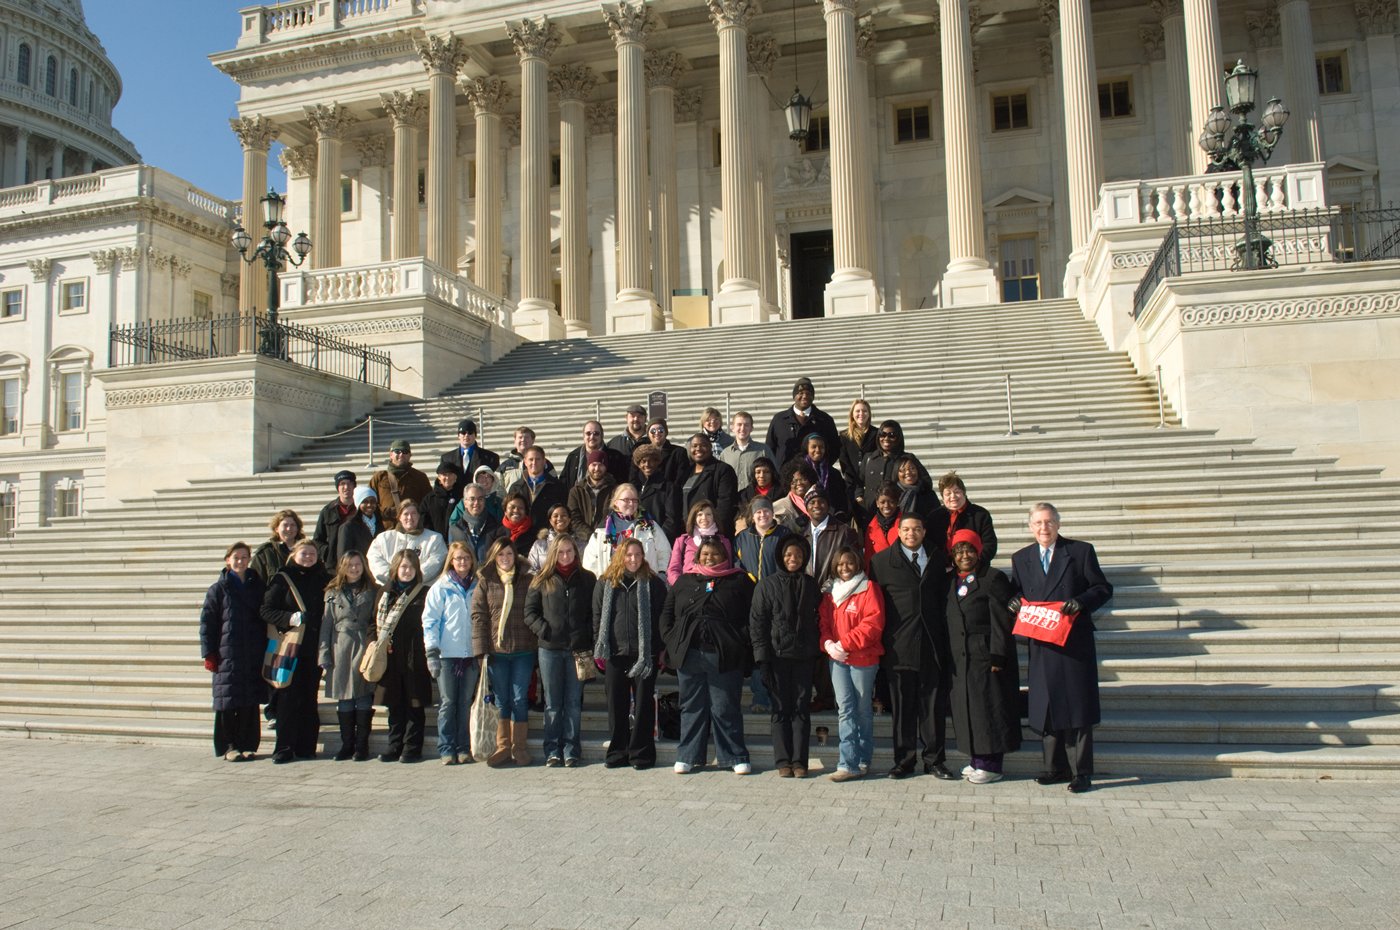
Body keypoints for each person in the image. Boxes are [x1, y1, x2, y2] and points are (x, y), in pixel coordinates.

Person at [1009, 503, 1113, 793]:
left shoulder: (1080, 552)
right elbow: (1016, 590)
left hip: (1073, 643)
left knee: (1078, 707)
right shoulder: (1021, 558)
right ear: (1030, 527)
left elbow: (1102, 587)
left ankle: (1081, 772)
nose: (1044, 528)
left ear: (1058, 523)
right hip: (1041, 644)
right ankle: (1054, 767)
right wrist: (1014, 601)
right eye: (1038, 523)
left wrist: (1081, 602)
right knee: (1046, 706)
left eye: (1049, 522)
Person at [868, 512, 955, 780]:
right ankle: (904, 761)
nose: (911, 534)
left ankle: (934, 760)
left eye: (916, 529)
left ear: (924, 531)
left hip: (931, 644)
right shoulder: (881, 562)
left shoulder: (940, 559)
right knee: (903, 708)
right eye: (906, 529)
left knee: (932, 707)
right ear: (898, 532)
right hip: (899, 646)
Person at [660, 538, 756, 775]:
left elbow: (753, 615)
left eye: (714, 555)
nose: (709, 558)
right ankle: (688, 755)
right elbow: (667, 614)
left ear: (725, 557)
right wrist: (673, 642)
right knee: (691, 706)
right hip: (690, 654)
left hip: (724, 654)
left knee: (725, 706)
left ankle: (734, 756)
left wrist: (739, 641)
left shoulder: (739, 580)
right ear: (697, 556)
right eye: (704, 555)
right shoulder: (684, 580)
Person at [945, 529, 1020, 784]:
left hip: (985, 654)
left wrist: (999, 654)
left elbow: (1001, 619)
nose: (964, 556)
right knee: (969, 708)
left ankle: (991, 764)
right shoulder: (952, 580)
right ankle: (976, 759)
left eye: (969, 550)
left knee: (989, 709)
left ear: (979, 552)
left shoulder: (993, 578)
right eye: (958, 551)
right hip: (961, 657)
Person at [592, 538, 668, 769]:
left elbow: (662, 619)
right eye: (628, 555)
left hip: (644, 654)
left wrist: (661, 649)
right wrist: (599, 647)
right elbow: (597, 617)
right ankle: (618, 752)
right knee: (617, 705)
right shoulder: (605, 583)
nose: (633, 559)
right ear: (620, 556)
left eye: (637, 555)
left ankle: (641, 754)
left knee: (644, 705)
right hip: (615, 653)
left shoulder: (653, 583)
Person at [749, 535, 821, 778]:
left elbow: (818, 620)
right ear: (781, 557)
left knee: (801, 708)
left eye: (798, 555)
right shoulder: (766, 585)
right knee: (780, 709)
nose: (793, 559)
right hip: (776, 656)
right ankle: (783, 761)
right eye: (789, 555)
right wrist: (762, 658)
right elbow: (757, 623)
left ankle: (800, 762)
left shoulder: (811, 585)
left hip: (803, 656)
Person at [524, 535, 597, 767]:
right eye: (561, 552)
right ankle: (552, 750)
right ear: (553, 553)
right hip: (550, 650)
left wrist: (586, 637)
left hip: (578, 650)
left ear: (576, 552)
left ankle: (571, 750)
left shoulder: (587, 579)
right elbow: (530, 613)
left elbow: (593, 613)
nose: (565, 556)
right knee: (553, 703)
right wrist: (544, 631)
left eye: (569, 551)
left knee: (574, 703)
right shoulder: (541, 579)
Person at [261, 539, 330, 764]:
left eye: (312, 553)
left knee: (309, 699)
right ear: (294, 555)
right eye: (304, 553)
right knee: (287, 698)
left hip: (313, 647)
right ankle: (284, 747)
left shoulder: (324, 579)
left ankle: (306, 746)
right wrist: (290, 618)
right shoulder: (283, 579)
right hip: (289, 648)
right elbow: (266, 610)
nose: (309, 557)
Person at [819, 546, 885, 782]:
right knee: (845, 710)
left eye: (849, 563)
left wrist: (844, 644)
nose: (844, 568)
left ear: (857, 564)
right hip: (837, 660)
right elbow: (824, 622)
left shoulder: (868, 589)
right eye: (840, 564)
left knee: (862, 710)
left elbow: (872, 625)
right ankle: (847, 763)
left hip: (863, 659)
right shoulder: (830, 593)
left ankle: (863, 758)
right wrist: (828, 644)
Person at [471, 537, 538, 766]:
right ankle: (502, 747)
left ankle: (519, 747)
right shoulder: (485, 582)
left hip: (523, 650)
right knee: (502, 700)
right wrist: (481, 651)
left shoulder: (528, 580)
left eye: (509, 554)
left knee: (519, 698)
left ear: (515, 556)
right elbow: (478, 617)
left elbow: (535, 611)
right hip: (497, 651)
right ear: (494, 557)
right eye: (501, 555)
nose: (505, 559)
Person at [199, 541, 267, 761]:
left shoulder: (257, 585)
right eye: (236, 557)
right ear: (228, 560)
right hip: (227, 654)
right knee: (227, 701)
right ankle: (229, 746)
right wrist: (208, 653)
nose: (240, 561)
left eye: (245, 557)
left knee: (249, 701)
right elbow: (207, 623)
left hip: (253, 651)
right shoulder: (218, 589)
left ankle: (248, 744)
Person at [423, 541, 479, 765]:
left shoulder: (477, 585)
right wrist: (431, 651)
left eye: (466, 558)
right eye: (458, 558)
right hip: (447, 655)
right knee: (448, 702)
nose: (462, 562)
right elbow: (430, 621)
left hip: (471, 654)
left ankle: (463, 746)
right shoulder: (441, 587)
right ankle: (446, 747)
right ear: (451, 561)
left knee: (465, 702)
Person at [319, 549, 378, 761]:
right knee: (344, 698)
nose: (354, 569)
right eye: (350, 565)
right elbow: (326, 624)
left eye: (358, 565)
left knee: (362, 697)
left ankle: (362, 746)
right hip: (340, 646)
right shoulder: (332, 592)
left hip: (363, 645)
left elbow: (375, 620)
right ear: (343, 567)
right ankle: (347, 745)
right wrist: (324, 654)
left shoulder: (372, 590)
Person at [374, 548, 431, 763]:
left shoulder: (424, 592)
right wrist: (377, 645)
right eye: (403, 566)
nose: (407, 571)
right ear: (395, 568)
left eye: (411, 567)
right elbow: (373, 623)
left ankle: (412, 748)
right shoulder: (383, 593)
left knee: (415, 705)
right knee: (395, 705)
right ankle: (394, 745)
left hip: (415, 656)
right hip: (390, 656)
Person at [582, 483, 671, 577]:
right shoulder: (602, 531)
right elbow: (590, 562)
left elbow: (665, 552)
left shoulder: (650, 526)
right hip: (612, 582)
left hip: (644, 580)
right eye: (626, 500)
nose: (631, 504)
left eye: (634, 500)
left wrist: (662, 574)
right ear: (616, 502)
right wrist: (598, 583)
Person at [764, 377, 840, 469]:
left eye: (808, 393)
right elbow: (769, 448)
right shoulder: (779, 420)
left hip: (815, 476)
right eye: (800, 393)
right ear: (794, 396)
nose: (804, 396)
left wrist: (821, 468)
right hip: (785, 477)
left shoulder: (825, 420)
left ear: (813, 396)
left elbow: (834, 449)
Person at [858, 420, 930, 516]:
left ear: (898, 438)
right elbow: (858, 482)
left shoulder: (906, 459)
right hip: (869, 514)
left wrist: (911, 489)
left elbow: (926, 482)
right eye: (882, 435)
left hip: (897, 513)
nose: (886, 438)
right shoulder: (869, 458)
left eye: (891, 435)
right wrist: (859, 497)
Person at [367, 499, 447, 585]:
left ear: (419, 516)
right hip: (388, 588)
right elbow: (374, 559)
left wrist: (413, 577)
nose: (410, 517)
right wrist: (393, 577)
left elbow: (435, 562)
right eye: (406, 514)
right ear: (399, 517)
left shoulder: (434, 539)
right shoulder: (383, 538)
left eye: (413, 513)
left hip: (421, 590)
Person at [935, 471, 998, 572]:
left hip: (976, 569)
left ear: (964, 493)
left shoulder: (980, 514)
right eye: (948, 493)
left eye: (957, 492)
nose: (953, 497)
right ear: (943, 497)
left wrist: (973, 563)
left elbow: (989, 544)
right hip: (944, 570)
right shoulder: (936, 516)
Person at [680, 433, 739, 536]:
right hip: (691, 533)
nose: (698, 448)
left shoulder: (723, 470)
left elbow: (725, 505)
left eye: (703, 445)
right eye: (694, 446)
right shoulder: (685, 472)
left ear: (710, 447)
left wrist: (711, 531)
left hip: (713, 534)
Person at [804, 486, 861, 589]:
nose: (816, 505)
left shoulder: (845, 532)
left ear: (828, 505)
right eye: (812, 502)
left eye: (821, 502)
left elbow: (854, 565)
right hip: (808, 596)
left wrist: (831, 586)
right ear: (806, 507)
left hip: (835, 594)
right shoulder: (802, 535)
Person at [667, 500, 733, 585]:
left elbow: (729, 568)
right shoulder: (681, 541)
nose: (704, 517)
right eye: (699, 514)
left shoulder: (724, 542)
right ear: (694, 518)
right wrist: (681, 587)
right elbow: (673, 569)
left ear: (714, 517)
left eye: (708, 514)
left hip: (715, 588)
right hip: (688, 589)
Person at [368, 439, 432, 523]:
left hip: (412, 529)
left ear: (410, 455)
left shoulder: (420, 477)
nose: (401, 454)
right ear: (391, 455)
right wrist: (388, 511)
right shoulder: (379, 477)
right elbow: (369, 502)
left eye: (405, 452)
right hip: (386, 530)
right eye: (397, 451)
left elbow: (428, 504)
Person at [505, 445, 567, 531]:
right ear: (525, 462)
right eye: (531, 459)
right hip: (522, 535)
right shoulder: (516, 487)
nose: (534, 462)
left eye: (538, 459)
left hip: (548, 536)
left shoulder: (557, 486)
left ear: (544, 462)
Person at [734, 497, 790, 582]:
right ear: (753, 516)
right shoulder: (741, 538)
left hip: (776, 588)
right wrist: (745, 577)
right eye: (758, 512)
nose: (763, 515)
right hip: (749, 589)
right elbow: (735, 561)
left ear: (772, 513)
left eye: (766, 510)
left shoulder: (785, 534)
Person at [633, 444, 681, 540]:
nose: (647, 464)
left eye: (651, 461)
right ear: (638, 464)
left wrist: (658, 539)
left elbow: (671, 520)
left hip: (659, 541)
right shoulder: (633, 487)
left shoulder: (668, 487)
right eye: (643, 461)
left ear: (657, 462)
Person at [447, 484, 507, 561]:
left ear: (484, 501)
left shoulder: (497, 528)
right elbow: (452, 560)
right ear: (465, 503)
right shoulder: (455, 530)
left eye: (480, 499)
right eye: (472, 499)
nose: (476, 503)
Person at [312, 470, 356, 569]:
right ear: (338, 488)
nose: (346, 487)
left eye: (349, 483)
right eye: (342, 484)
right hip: (333, 566)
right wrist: (328, 552)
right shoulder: (327, 511)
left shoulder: (362, 508)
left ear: (354, 486)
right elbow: (317, 540)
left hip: (357, 564)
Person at [562, 420, 629, 486]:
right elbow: (564, 483)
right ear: (583, 436)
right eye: (588, 433)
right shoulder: (573, 457)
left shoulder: (616, 458)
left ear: (602, 435)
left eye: (596, 433)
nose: (592, 437)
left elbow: (623, 484)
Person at [437, 417, 500, 486]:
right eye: (463, 433)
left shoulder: (491, 458)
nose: (466, 435)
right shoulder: (446, 458)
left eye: (470, 432)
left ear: (475, 435)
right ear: (458, 435)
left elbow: (495, 484)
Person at [567, 449, 618, 532]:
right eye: (593, 465)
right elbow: (573, 518)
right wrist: (590, 536)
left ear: (606, 467)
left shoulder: (615, 491)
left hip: (606, 536)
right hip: (582, 539)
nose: (597, 468)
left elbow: (615, 515)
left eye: (601, 465)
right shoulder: (576, 491)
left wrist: (601, 534)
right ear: (588, 466)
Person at [719, 411, 771, 491]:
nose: (742, 428)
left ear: (751, 428)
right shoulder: (725, 454)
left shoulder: (763, 450)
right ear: (732, 428)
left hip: (756, 498)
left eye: (746, 425)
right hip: (732, 499)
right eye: (739, 424)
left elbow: (774, 475)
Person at [251, 509, 302, 587]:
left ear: (297, 528)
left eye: (293, 525)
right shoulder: (265, 554)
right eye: (285, 525)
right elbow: (255, 585)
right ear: (276, 529)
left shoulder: (308, 551)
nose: (289, 528)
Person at [802, 433, 849, 517]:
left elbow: (841, 499)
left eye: (821, 447)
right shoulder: (801, 472)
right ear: (807, 449)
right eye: (813, 447)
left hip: (830, 518)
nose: (818, 450)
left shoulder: (834, 473)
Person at [838, 399, 875, 498]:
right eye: (858, 411)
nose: (861, 413)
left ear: (869, 414)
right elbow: (844, 462)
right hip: (851, 485)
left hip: (872, 484)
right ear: (852, 414)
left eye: (864, 411)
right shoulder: (843, 436)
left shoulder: (877, 434)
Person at [528, 504, 582, 572]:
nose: (559, 518)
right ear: (550, 520)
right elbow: (530, 570)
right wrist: (545, 579)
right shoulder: (539, 545)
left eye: (563, 515)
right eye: (555, 516)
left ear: (569, 519)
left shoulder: (581, 544)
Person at [864, 482, 902, 572]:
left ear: (897, 502)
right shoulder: (871, 527)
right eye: (882, 502)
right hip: (877, 575)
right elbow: (867, 558)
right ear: (877, 503)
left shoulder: (905, 525)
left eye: (891, 502)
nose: (886, 506)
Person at [337, 487, 384, 562]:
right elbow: (343, 557)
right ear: (358, 504)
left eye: (373, 501)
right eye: (365, 501)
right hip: (357, 570)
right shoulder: (348, 527)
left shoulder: (381, 524)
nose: (369, 505)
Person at [893, 454, 940, 527]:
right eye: (902, 470)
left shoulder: (929, 494)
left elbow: (937, 520)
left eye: (912, 468)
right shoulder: (893, 495)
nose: (908, 473)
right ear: (896, 473)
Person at [772, 461, 817, 535]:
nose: (799, 483)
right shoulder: (776, 507)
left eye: (803, 479)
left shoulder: (820, 503)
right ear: (788, 484)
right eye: (794, 482)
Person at [735, 455, 780, 525]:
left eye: (766, 472)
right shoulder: (744, 495)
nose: (762, 475)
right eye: (758, 472)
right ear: (753, 474)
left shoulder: (782, 493)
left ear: (772, 474)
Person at [420, 461, 460, 537]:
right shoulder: (429, 499)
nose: (447, 478)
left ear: (456, 477)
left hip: (457, 540)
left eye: (451, 474)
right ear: (439, 477)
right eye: (444, 474)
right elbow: (423, 521)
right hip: (434, 540)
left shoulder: (462, 496)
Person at [642, 418, 687, 484]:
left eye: (661, 430)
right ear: (648, 434)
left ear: (666, 432)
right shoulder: (642, 453)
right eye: (653, 431)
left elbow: (681, 478)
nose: (657, 433)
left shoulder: (679, 452)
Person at [496, 425, 538, 491]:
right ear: (514, 441)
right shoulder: (504, 466)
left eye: (526, 437)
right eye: (520, 437)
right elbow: (497, 489)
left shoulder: (543, 463)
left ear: (533, 441)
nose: (523, 440)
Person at [499, 492, 537, 558]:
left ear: (525, 512)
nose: (516, 510)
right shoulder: (495, 535)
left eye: (521, 508)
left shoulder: (535, 535)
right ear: (505, 511)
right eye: (512, 507)